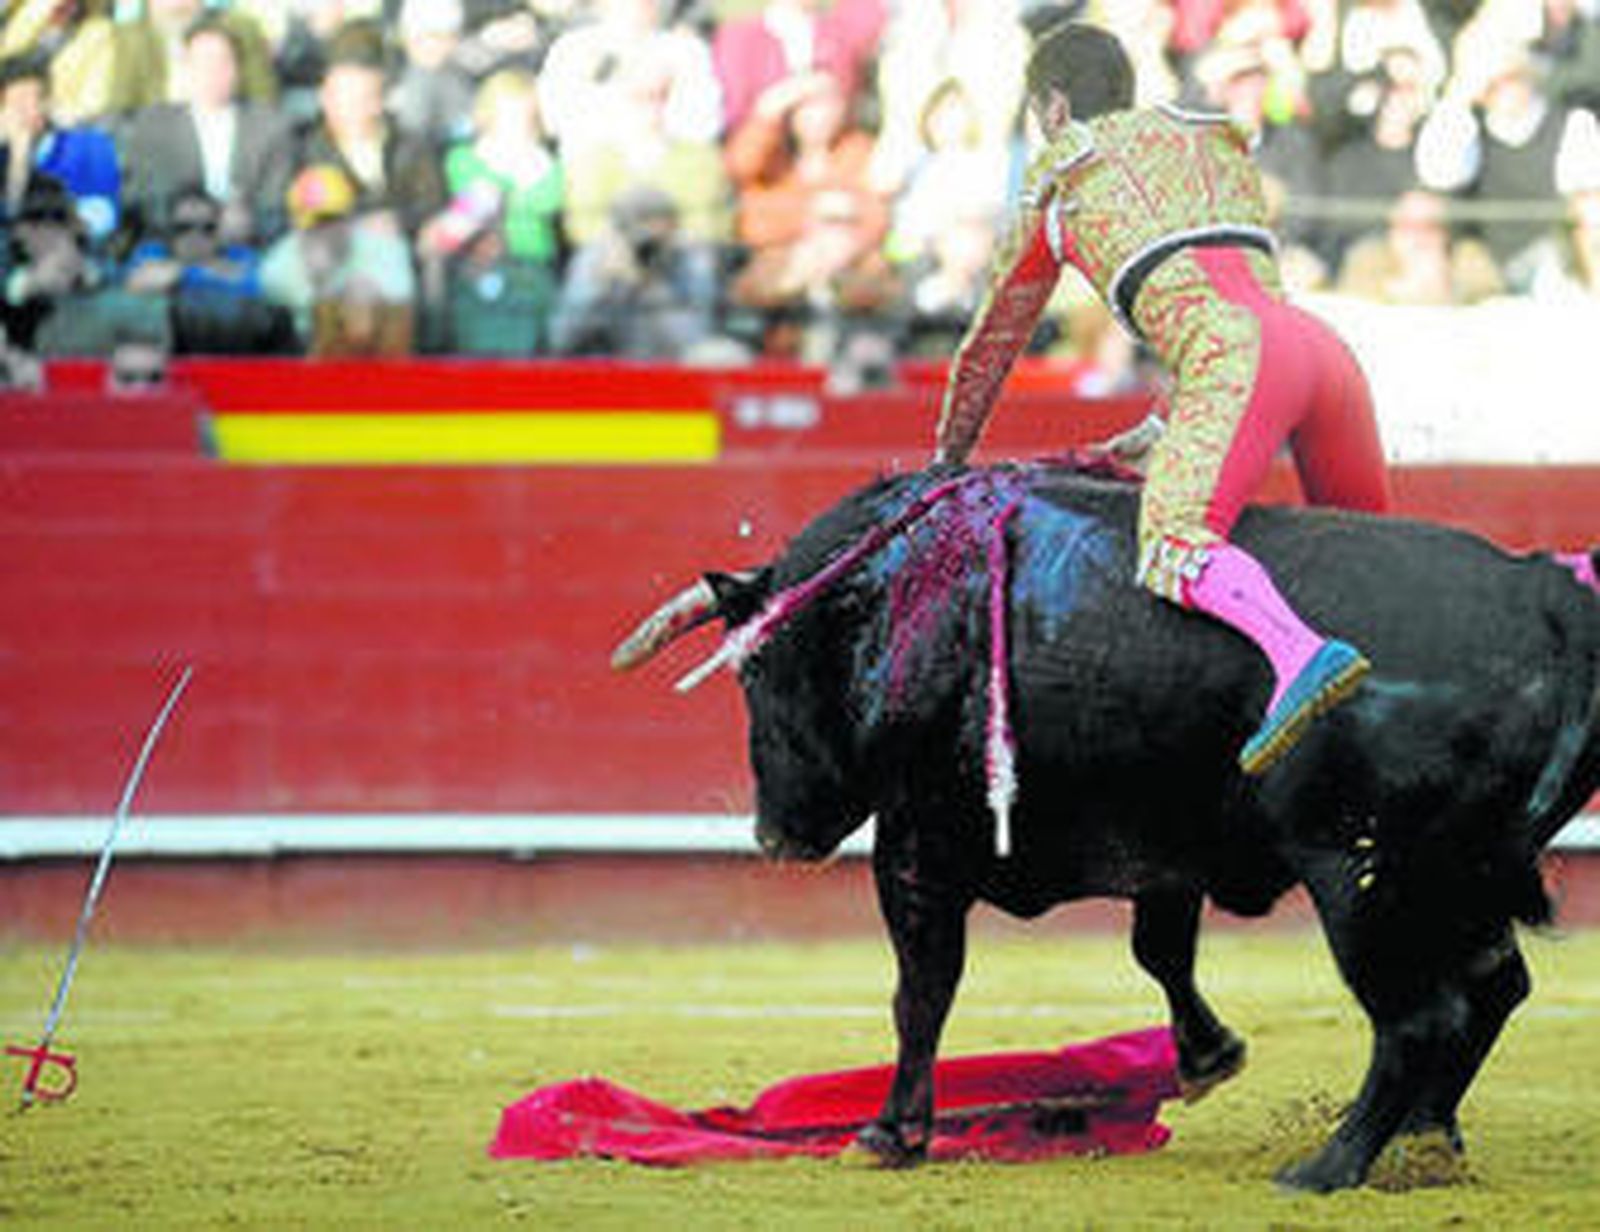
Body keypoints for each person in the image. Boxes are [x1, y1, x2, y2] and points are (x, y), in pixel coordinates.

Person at [933, 22, 1392, 775]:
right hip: (1324, 353)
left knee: (1173, 545)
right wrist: (1170, 421)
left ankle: (1297, 654)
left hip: (1238, 360)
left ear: (1051, 107)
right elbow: (1226, 280)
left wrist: (946, 456)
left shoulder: (1062, 178)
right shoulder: (1206, 139)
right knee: (1379, 557)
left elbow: (993, 342)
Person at [116, 17, 297, 247]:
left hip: (251, 248)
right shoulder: (151, 127)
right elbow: (142, 200)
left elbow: (276, 204)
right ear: (185, 67)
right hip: (172, 245)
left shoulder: (271, 128)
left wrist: (248, 222)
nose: (213, 72)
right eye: (202, 62)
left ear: (238, 69)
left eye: (223, 62)